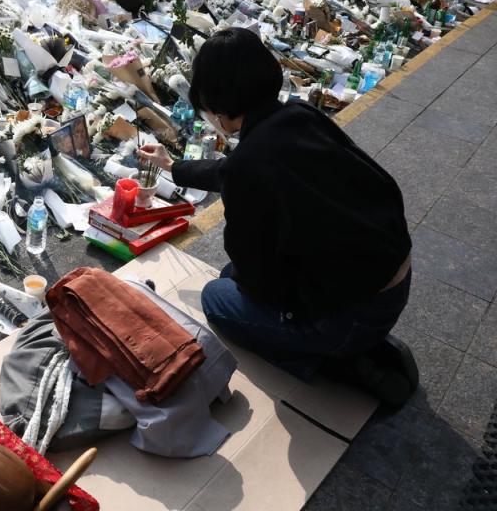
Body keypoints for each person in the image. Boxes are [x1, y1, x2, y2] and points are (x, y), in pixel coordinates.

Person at [138, 28, 418, 406]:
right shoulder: (299, 116)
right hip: (389, 281)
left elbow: (260, 276)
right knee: (231, 278)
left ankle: (338, 363)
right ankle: (354, 342)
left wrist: (249, 282)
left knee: (217, 297)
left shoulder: (250, 165)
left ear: (219, 108)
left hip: (352, 316)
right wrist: (173, 166)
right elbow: (234, 169)